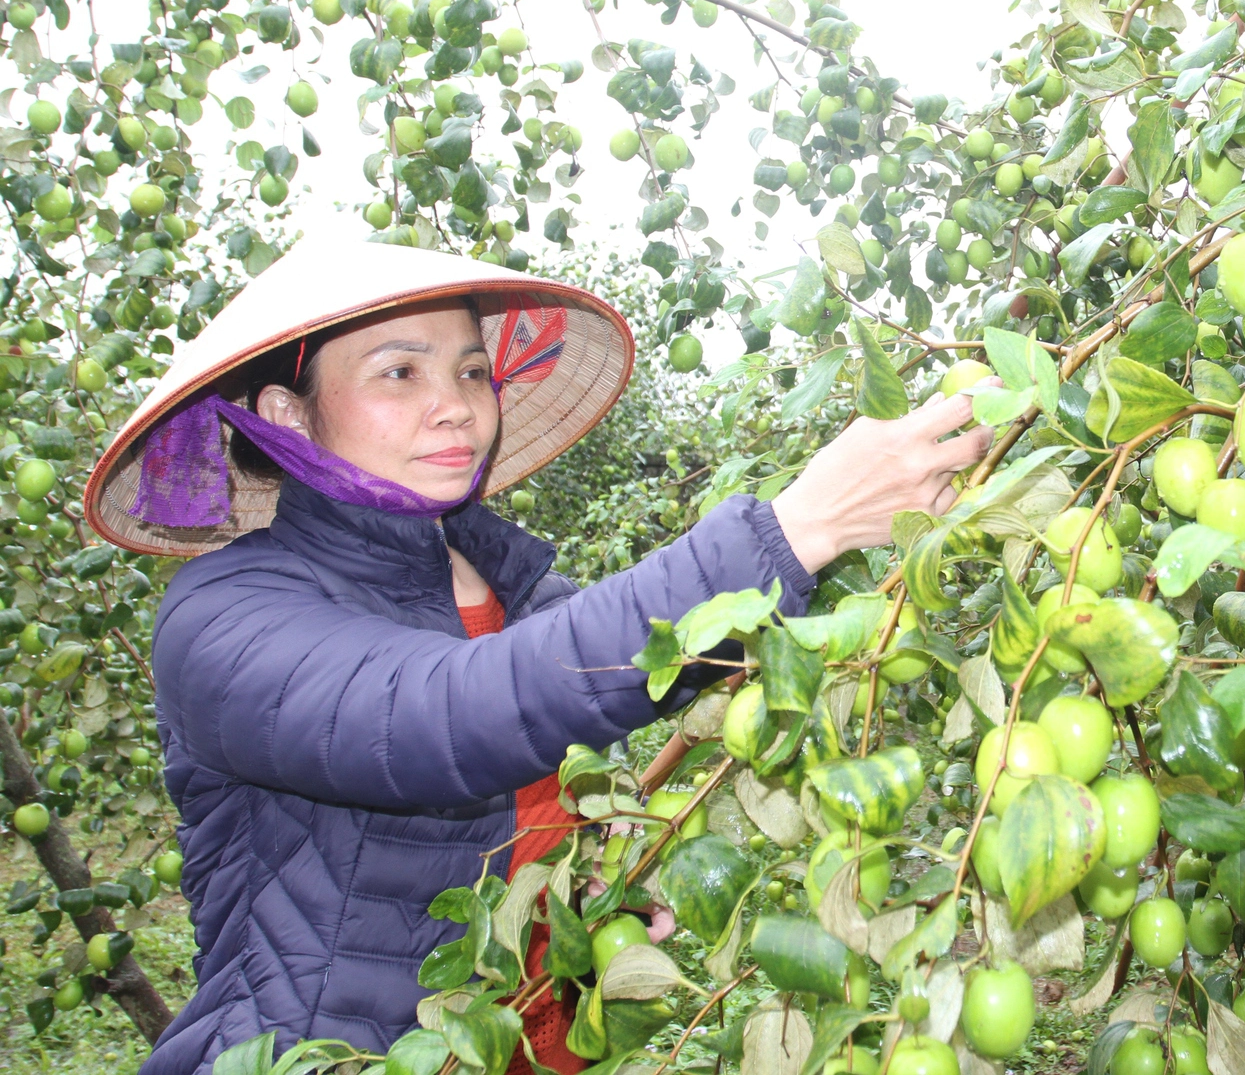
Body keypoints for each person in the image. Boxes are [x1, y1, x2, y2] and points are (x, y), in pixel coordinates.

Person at [84, 244, 992, 1075]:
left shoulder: (515, 585)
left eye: (472, 368)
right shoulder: (224, 613)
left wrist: (576, 876)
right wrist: (799, 527)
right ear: (289, 412)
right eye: (399, 370)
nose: (457, 403)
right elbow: (454, 714)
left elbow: (608, 691)